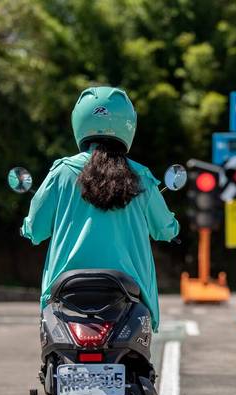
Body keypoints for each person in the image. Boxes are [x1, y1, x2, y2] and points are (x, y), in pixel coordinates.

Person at [20, 86, 179, 332]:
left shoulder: (61, 172)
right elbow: (165, 230)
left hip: (66, 288)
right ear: (128, 124)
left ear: (79, 121)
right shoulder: (142, 176)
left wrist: (27, 227)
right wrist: (172, 226)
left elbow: (36, 229)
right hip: (128, 290)